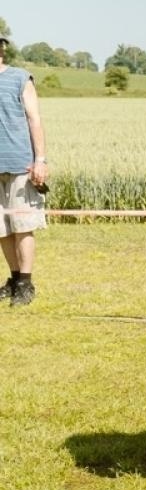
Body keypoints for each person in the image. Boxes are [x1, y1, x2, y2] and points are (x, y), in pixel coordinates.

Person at [0, 34, 48, 307]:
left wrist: (40, 159)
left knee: (23, 226)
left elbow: (34, 118)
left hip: (21, 164)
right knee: (2, 230)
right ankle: (14, 278)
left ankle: (26, 283)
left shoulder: (20, 77)